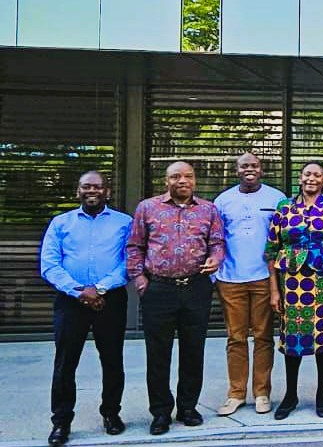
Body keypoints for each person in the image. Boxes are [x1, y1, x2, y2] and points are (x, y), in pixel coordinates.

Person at [127, 161, 225, 435]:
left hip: (196, 288)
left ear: (194, 180)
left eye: (188, 176)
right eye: (176, 176)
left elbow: (217, 242)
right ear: (166, 180)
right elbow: (135, 246)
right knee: (158, 354)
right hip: (159, 290)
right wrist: (140, 278)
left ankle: (187, 407)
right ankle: (160, 412)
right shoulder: (147, 207)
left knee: (193, 351)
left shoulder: (208, 209)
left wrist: (215, 258)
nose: (182, 180)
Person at [40, 171, 133, 447]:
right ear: (78, 191)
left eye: (97, 186)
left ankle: (111, 414)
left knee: (113, 360)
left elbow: (129, 262)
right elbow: (49, 264)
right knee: (65, 363)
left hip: (110, 300)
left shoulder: (124, 223)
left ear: (107, 191)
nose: (92, 190)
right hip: (71, 301)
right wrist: (78, 291)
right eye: (86, 186)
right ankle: (61, 422)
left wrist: (100, 289)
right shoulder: (61, 223)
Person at [266, 161, 323, 420]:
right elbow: (271, 250)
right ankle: (291, 394)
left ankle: (321, 393)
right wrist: (274, 290)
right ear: (300, 178)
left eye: (317, 175)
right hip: (291, 282)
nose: (311, 179)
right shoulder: (285, 207)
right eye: (307, 174)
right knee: (291, 338)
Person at [212, 153, 287, 417]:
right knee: (236, 338)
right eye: (244, 166)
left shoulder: (276, 198)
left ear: (262, 169)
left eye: (254, 165)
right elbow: (215, 239)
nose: (249, 169)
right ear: (236, 170)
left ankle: (262, 393)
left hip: (264, 279)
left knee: (264, 337)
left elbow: (282, 241)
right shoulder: (223, 201)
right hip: (230, 279)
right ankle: (235, 394)